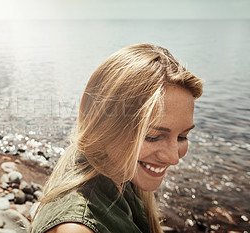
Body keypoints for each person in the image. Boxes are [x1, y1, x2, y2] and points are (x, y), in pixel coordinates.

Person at [30, 43, 203, 233]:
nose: (173, 158)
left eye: (182, 136)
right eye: (152, 137)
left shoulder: (110, 166)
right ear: (104, 127)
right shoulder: (78, 228)